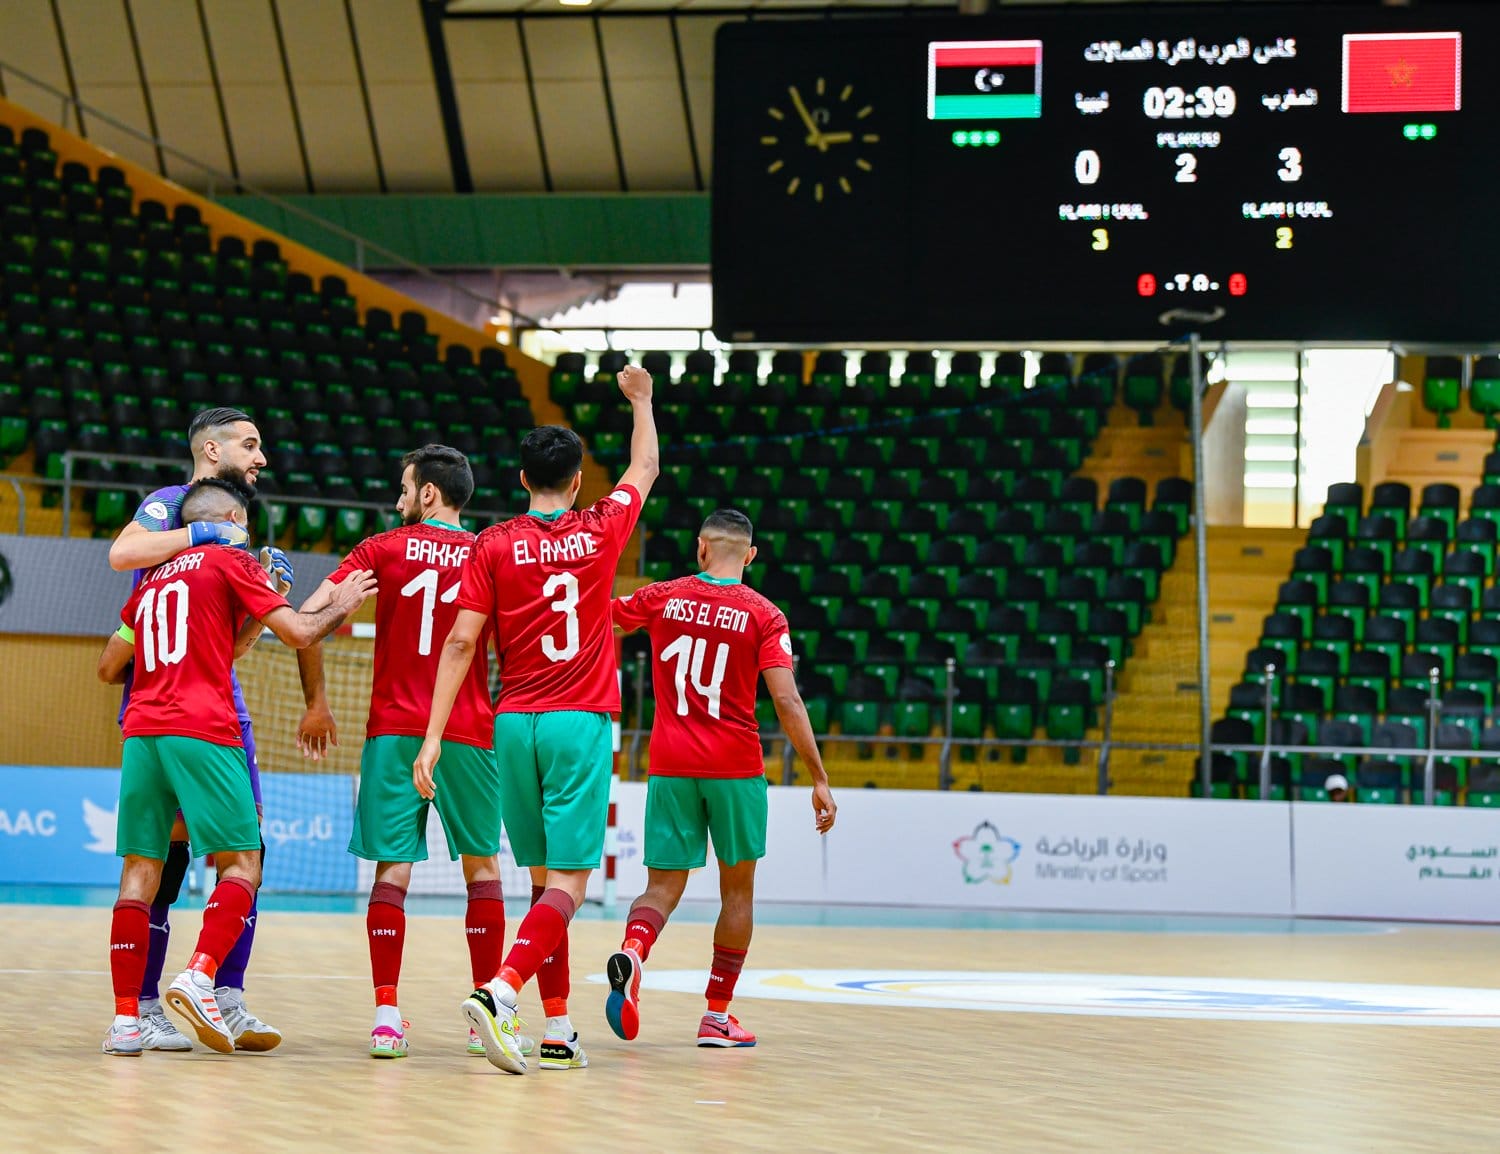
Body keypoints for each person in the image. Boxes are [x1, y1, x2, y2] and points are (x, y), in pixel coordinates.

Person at [417, 363, 658, 1075]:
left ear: (521, 481)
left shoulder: (491, 544)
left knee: (544, 881)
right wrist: (640, 400)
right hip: (577, 719)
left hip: (512, 721)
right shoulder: (601, 527)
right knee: (572, 884)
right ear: (578, 480)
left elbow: (461, 640)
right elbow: (645, 464)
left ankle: (558, 1029)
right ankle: (501, 990)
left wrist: (432, 735)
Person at [96, 478, 376, 1055]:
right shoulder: (231, 559)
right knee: (244, 862)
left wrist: (242, 618)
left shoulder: (152, 580)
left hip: (143, 732)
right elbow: (299, 631)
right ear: (228, 517)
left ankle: (127, 1022)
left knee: (140, 874)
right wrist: (343, 605)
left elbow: (108, 667)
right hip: (203, 727)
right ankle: (200, 977)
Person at [293, 445, 513, 1060]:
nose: (397, 499)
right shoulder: (489, 554)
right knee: (484, 870)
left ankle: (386, 1016)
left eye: (404, 487)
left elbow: (305, 617)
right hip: (468, 729)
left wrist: (317, 699)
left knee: (392, 873)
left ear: (430, 495)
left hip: (393, 730)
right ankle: (484, 1015)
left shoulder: (380, 549)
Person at [605, 508, 836, 1047]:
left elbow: (600, 617)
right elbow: (786, 698)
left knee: (660, 888)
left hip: (669, 763)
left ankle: (634, 952)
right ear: (750, 555)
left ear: (701, 548)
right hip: (734, 767)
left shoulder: (662, 596)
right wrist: (818, 777)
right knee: (737, 894)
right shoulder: (765, 615)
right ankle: (716, 1015)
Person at [106, 406, 290, 1052]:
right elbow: (122, 552)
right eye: (250, 444)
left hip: (215, 701)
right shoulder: (172, 505)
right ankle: (147, 1004)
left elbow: (231, 646)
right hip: (170, 705)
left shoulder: (234, 529)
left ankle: (224, 995)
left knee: (249, 854)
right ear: (210, 451)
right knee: (169, 862)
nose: (261, 457)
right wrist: (205, 535)